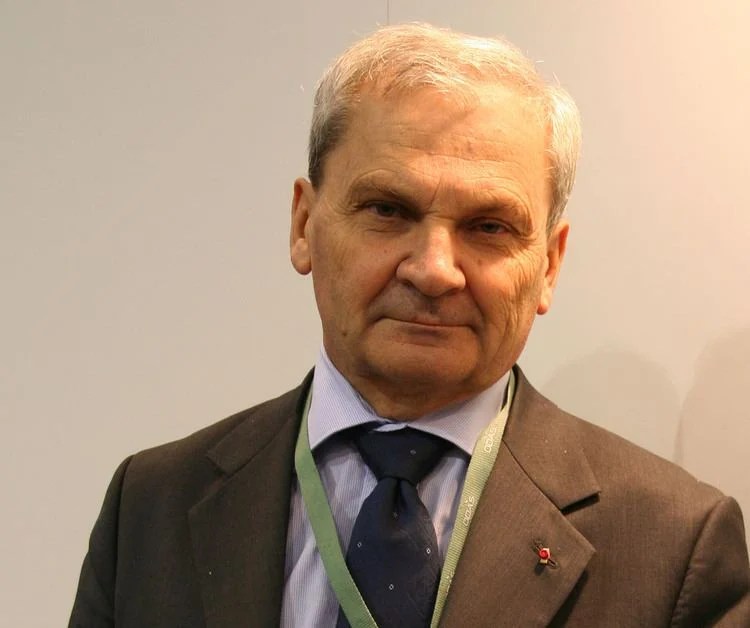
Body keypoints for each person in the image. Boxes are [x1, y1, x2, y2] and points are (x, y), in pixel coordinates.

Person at [69, 23, 749, 627]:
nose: (434, 270)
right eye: (388, 210)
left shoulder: (674, 547)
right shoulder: (151, 507)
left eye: (489, 226)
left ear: (549, 264)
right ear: (304, 226)